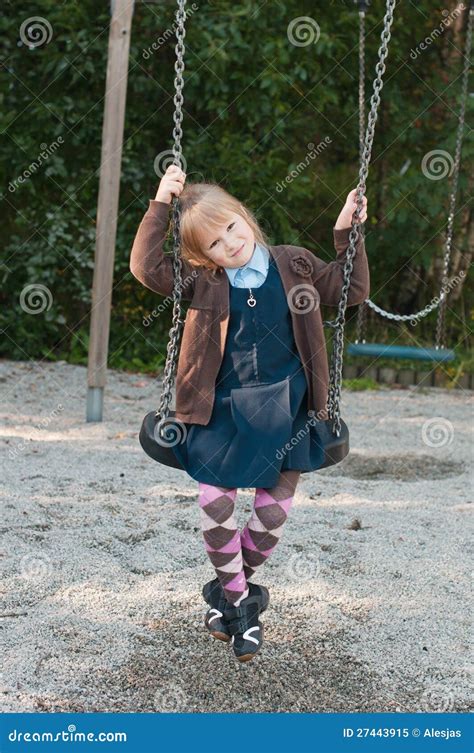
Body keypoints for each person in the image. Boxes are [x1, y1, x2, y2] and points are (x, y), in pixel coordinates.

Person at [129, 165, 369, 662]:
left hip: (288, 408)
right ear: (202, 255)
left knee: (271, 513)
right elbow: (148, 269)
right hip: (221, 410)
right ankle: (242, 609)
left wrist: (348, 231)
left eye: (232, 227)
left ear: (246, 217)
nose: (229, 244)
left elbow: (351, 291)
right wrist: (159, 204)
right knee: (214, 500)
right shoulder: (205, 282)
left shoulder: (295, 264)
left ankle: (225, 598)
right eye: (214, 243)